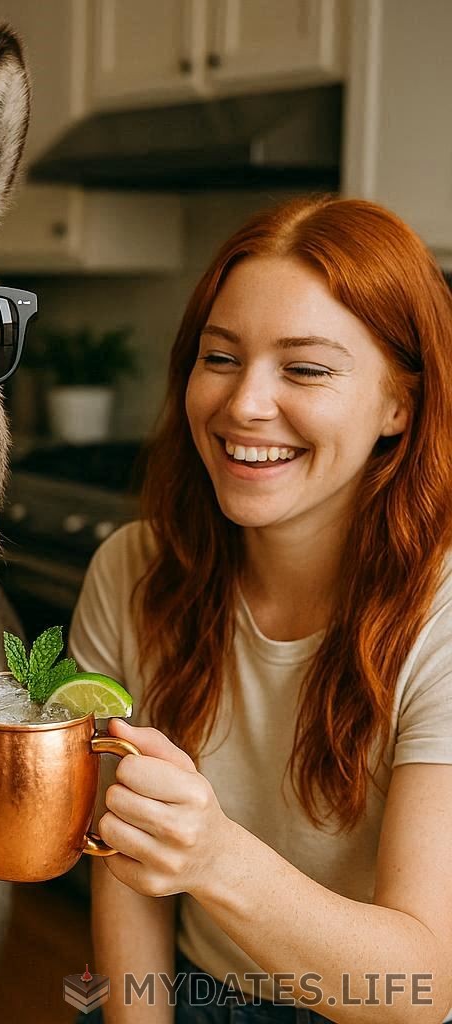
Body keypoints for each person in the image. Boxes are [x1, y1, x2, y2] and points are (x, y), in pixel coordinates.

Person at [70, 196, 452, 1022]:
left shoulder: (443, 615)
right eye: (220, 356)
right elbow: (125, 863)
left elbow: (420, 988)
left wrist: (212, 858)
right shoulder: (130, 570)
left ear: (400, 406)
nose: (245, 405)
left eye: (305, 368)